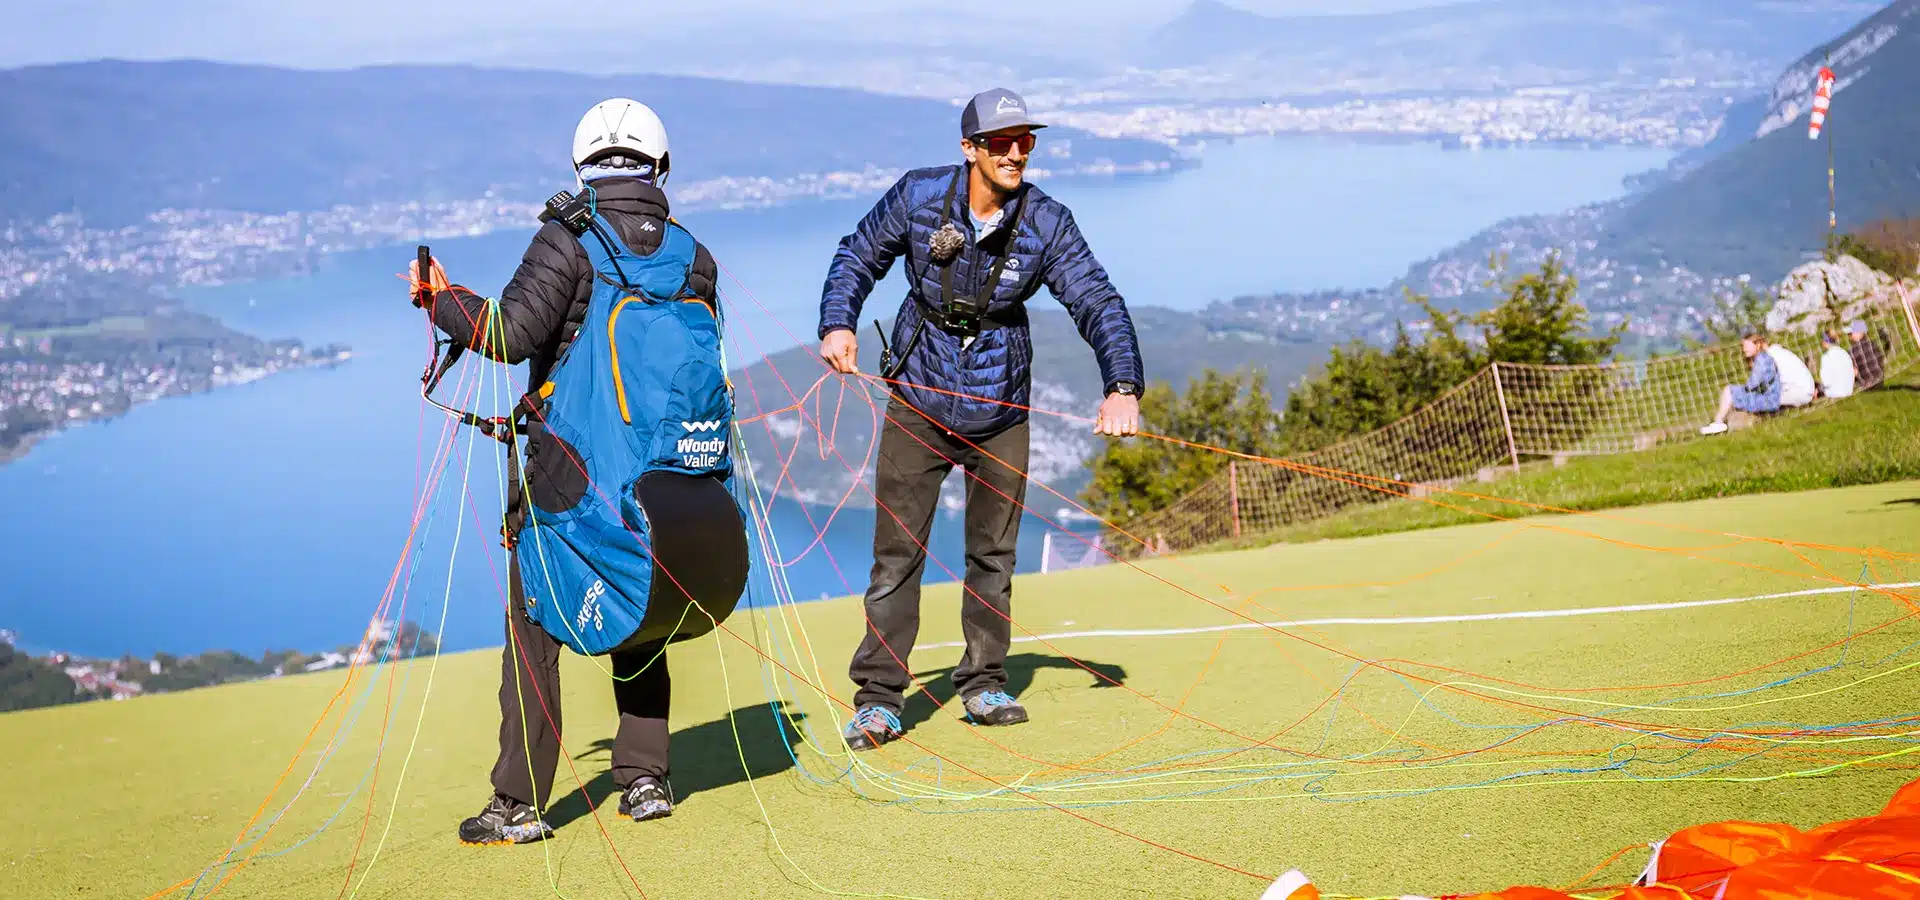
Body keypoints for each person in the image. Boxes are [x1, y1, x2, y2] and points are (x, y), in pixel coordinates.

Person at [413, 99, 722, 843]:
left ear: (581, 167)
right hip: (667, 475)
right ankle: (645, 779)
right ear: (661, 166)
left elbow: (506, 334)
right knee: (641, 609)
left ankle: (518, 802)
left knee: (533, 624)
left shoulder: (566, 239)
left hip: (570, 474)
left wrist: (440, 301)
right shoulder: (691, 253)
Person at [816, 87, 1144, 750]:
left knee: (993, 554)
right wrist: (837, 323)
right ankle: (879, 699)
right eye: (1002, 142)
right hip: (918, 398)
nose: (1017, 152)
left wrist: (1123, 385)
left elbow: (1098, 301)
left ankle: (984, 683)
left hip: (1001, 407)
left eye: (1027, 140)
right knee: (895, 557)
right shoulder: (917, 197)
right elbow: (858, 254)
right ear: (970, 149)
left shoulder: (1048, 222)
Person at [1702, 332, 1786, 435]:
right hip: (1769, 397)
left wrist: (1740, 390)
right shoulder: (1763, 358)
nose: (1744, 349)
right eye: (1743, 346)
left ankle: (1718, 422)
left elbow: (1753, 384)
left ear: (1757, 345)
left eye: (1746, 346)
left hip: (1768, 400)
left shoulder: (1762, 360)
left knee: (1729, 391)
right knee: (1732, 392)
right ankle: (1719, 422)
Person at [1847, 319, 1888, 390]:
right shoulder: (1873, 344)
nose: (1849, 335)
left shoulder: (1854, 350)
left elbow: (1854, 371)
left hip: (1866, 383)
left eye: (1851, 332)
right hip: (1880, 379)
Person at [1817, 329, 1856, 399]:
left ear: (1824, 342)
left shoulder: (1826, 356)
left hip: (1833, 392)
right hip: (1848, 390)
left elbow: (1825, 378)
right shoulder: (1845, 353)